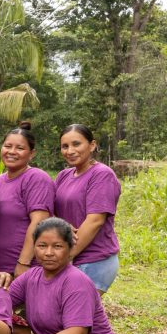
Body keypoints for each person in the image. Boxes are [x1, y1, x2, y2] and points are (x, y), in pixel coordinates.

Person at [54, 124, 122, 293]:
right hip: (67, 257)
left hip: (94, 259)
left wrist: (67, 256)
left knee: (76, 316)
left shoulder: (101, 175)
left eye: (76, 144)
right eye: (65, 146)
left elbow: (95, 221)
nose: (70, 151)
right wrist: (59, 223)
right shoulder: (64, 175)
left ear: (92, 145)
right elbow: (52, 209)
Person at [0, 125, 54, 278]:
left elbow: (39, 221)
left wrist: (23, 262)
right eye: (7, 146)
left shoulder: (36, 178)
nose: (11, 152)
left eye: (20, 148)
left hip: (25, 267)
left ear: (31, 154)